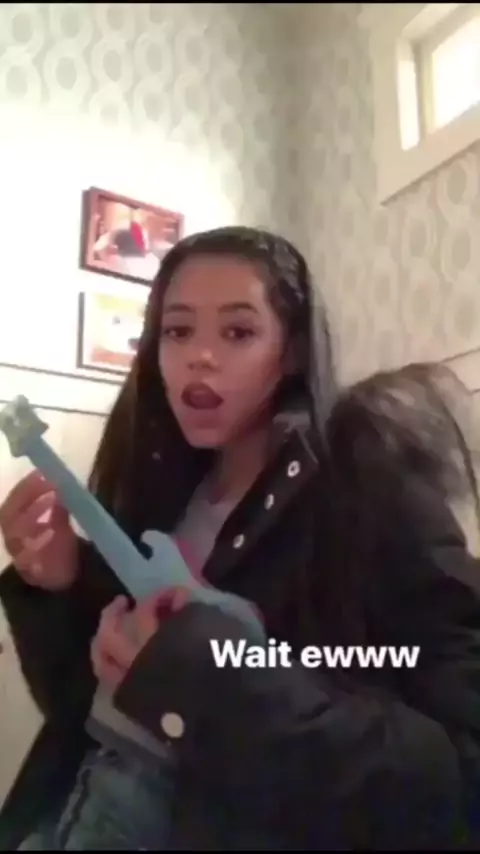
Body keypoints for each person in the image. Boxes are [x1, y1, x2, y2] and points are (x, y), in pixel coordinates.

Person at [1, 226, 480, 850]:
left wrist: (209, 674)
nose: (199, 356)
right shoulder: (156, 488)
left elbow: (458, 774)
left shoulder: (370, 489)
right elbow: (84, 717)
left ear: (292, 352)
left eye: (238, 331)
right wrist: (58, 587)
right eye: (177, 331)